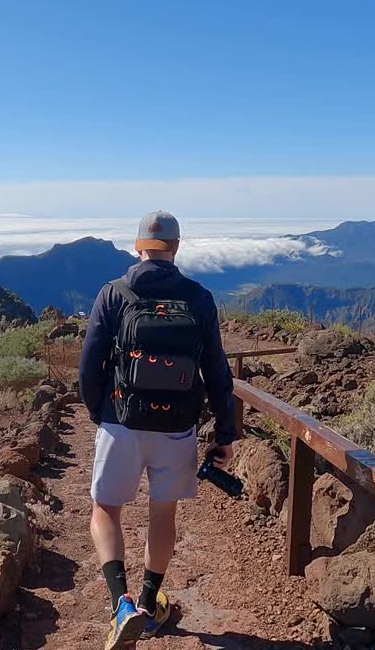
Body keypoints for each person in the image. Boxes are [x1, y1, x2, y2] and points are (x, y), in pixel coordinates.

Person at [78, 210, 237, 649]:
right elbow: (217, 370)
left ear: (137, 246)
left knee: (106, 509)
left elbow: (89, 366)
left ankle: (120, 605)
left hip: (121, 422)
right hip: (176, 427)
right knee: (162, 514)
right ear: (177, 248)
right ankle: (149, 604)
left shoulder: (114, 294)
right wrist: (225, 433)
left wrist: (101, 415)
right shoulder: (199, 298)